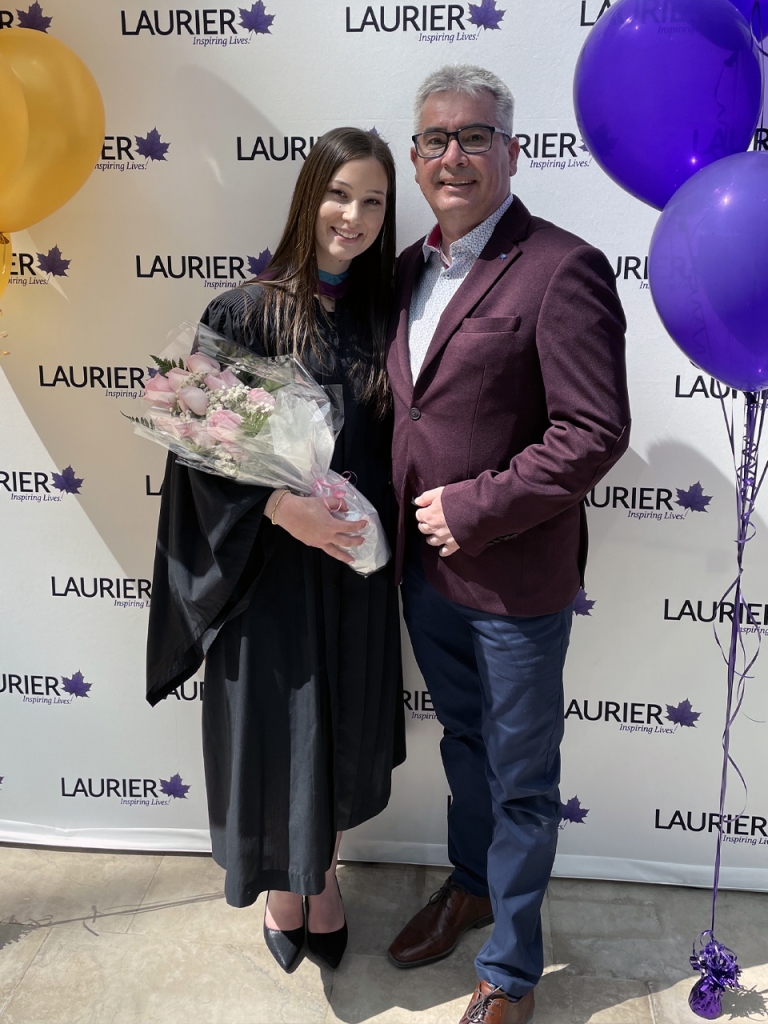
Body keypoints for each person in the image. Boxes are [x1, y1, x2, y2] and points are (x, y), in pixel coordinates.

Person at [386, 66, 630, 1024]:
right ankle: (471, 885)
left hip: (516, 584)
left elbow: (592, 431)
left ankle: (512, 971)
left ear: (512, 151)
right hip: (423, 576)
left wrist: (476, 508)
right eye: (435, 139)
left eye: (475, 136)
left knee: (523, 782)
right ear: (414, 158)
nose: (454, 155)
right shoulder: (406, 269)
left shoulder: (562, 266)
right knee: (464, 746)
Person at [145, 127, 404, 974]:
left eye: (373, 201)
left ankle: (321, 877)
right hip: (268, 577)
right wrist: (280, 509)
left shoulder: (384, 318)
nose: (353, 216)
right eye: (339, 194)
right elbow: (195, 453)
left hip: (351, 571)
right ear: (307, 197)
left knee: (337, 729)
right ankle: (283, 890)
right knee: (279, 728)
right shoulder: (244, 312)